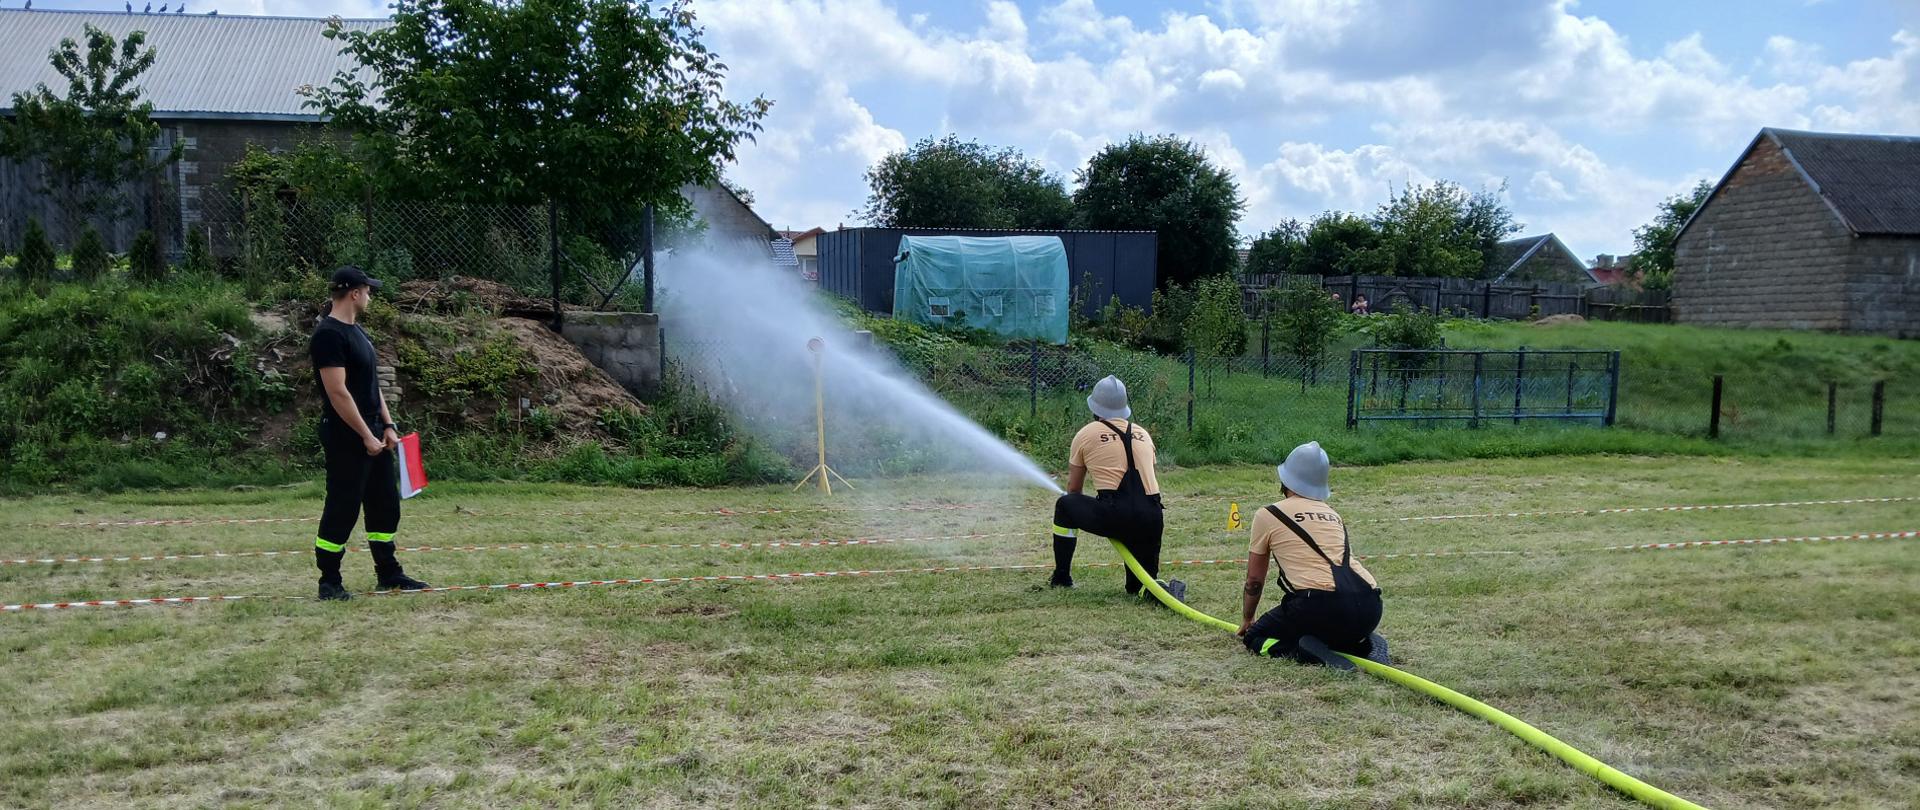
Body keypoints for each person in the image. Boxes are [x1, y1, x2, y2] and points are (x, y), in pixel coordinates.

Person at [309, 266, 427, 601]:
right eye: (368, 290)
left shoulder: (359, 333)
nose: (371, 295)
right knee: (343, 507)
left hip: (374, 433)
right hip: (346, 436)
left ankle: (388, 573)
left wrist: (387, 427)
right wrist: (365, 435)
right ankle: (329, 581)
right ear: (354, 293)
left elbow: (371, 389)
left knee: (384, 505)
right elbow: (338, 393)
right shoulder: (328, 335)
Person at [1238, 441, 1387, 666]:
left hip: (1318, 606)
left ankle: (1301, 652)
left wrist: (1248, 619)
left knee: (1256, 638)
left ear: (1285, 479)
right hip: (1369, 605)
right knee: (1324, 633)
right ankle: (1362, 645)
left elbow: (1254, 580)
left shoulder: (1267, 515)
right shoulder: (1333, 514)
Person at [1047, 375, 1174, 598]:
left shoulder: (1086, 433)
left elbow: (1074, 489)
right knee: (1141, 588)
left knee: (1065, 504)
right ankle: (1147, 585)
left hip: (1116, 515)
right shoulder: (1143, 433)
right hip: (1152, 518)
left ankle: (1062, 577)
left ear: (1094, 407)